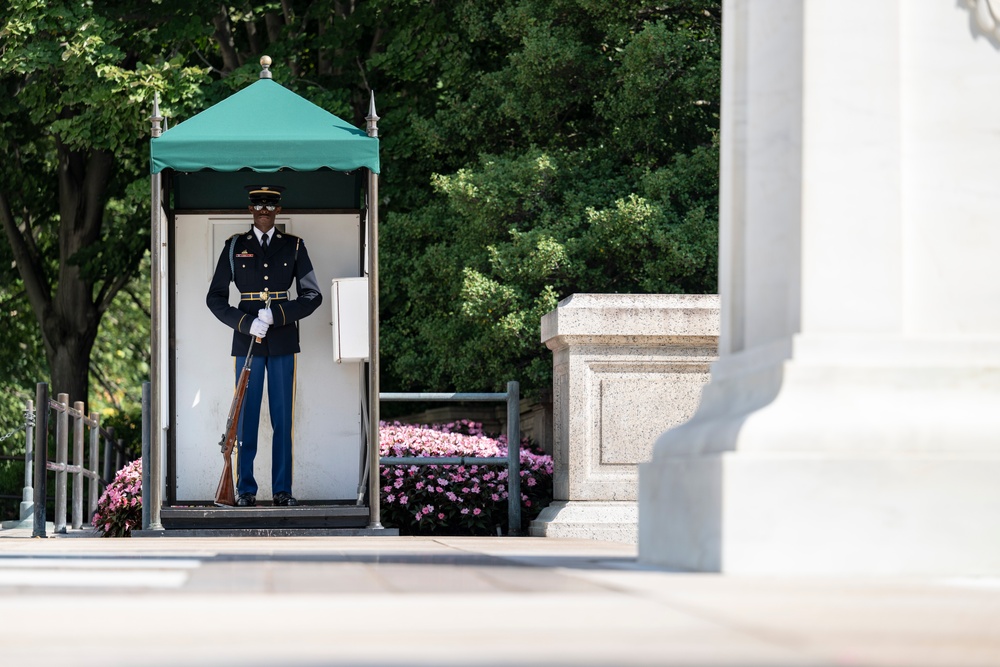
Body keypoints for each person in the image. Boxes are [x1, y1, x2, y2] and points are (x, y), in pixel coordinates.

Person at [206, 185, 323, 507]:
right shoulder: (234, 247)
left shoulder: (294, 247)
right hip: (247, 342)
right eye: (258, 203)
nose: (264, 210)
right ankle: (245, 490)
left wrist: (278, 314)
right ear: (250, 208)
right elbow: (214, 298)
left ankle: (282, 490)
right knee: (245, 417)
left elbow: (313, 295)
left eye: (270, 204)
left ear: (278, 208)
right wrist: (245, 323)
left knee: (282, 418)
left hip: (283, 339)